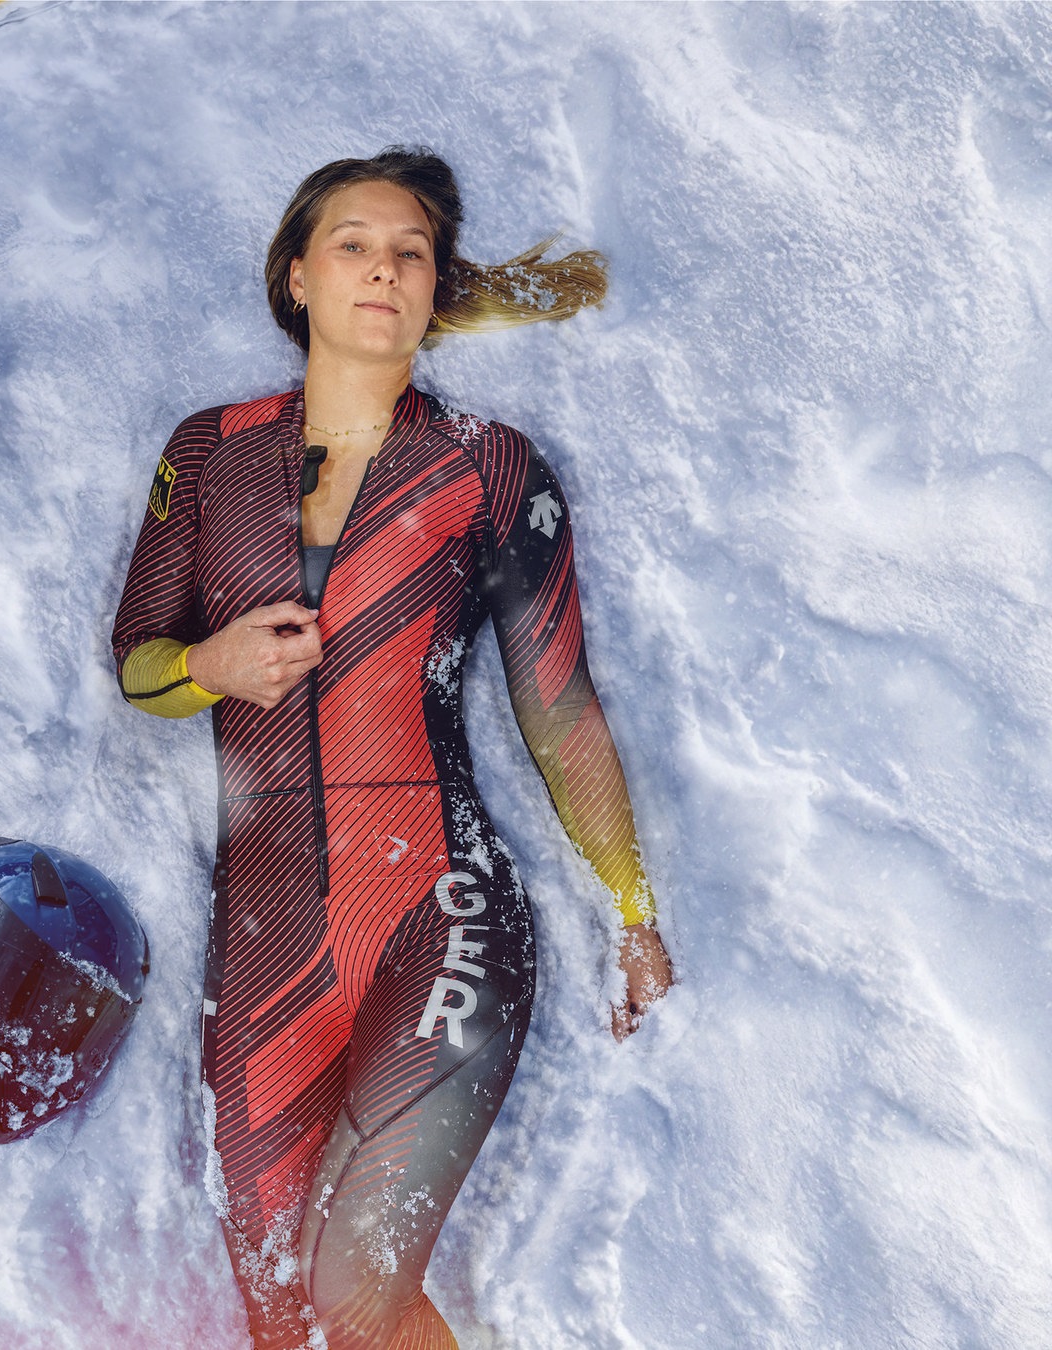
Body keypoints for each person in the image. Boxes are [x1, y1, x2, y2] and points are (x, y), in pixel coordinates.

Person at [110, 147, 674, 1349]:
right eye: (355, 245)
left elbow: (559, 707)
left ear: (433, 289)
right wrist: (208, 667)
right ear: (299, 278)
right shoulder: (206, 452)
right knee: (284, 1316)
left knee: (353, 1291)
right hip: (264, 958)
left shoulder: (490, 467)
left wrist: (631, 907)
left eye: (410, 252)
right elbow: (138, 665)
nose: (384, 267)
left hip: (441, 914)